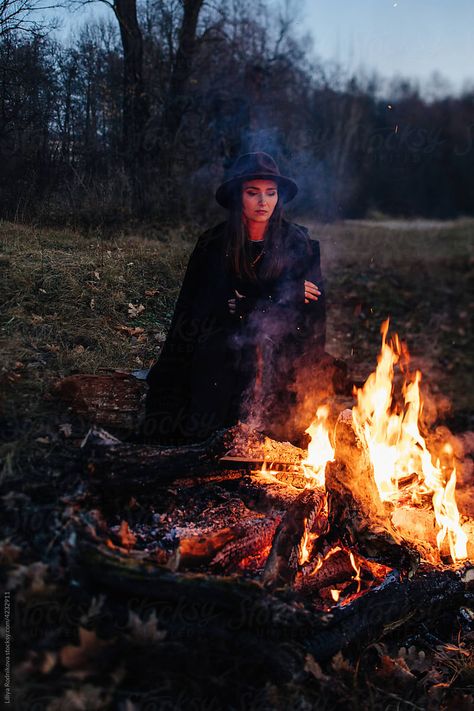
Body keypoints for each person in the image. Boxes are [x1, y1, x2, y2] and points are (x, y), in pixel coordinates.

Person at [140, 152, 342, 446]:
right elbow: (202, 308)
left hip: (284, 347)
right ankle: (217, 442)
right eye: (253, 193)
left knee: (282, 369)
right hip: (224, 346)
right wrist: (279, 296)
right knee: (222, 357)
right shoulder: (214, 244)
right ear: (238, 198)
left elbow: (311, 317)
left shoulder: (299, 244)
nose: (264, 202)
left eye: (270, 194)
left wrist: (254, 302)